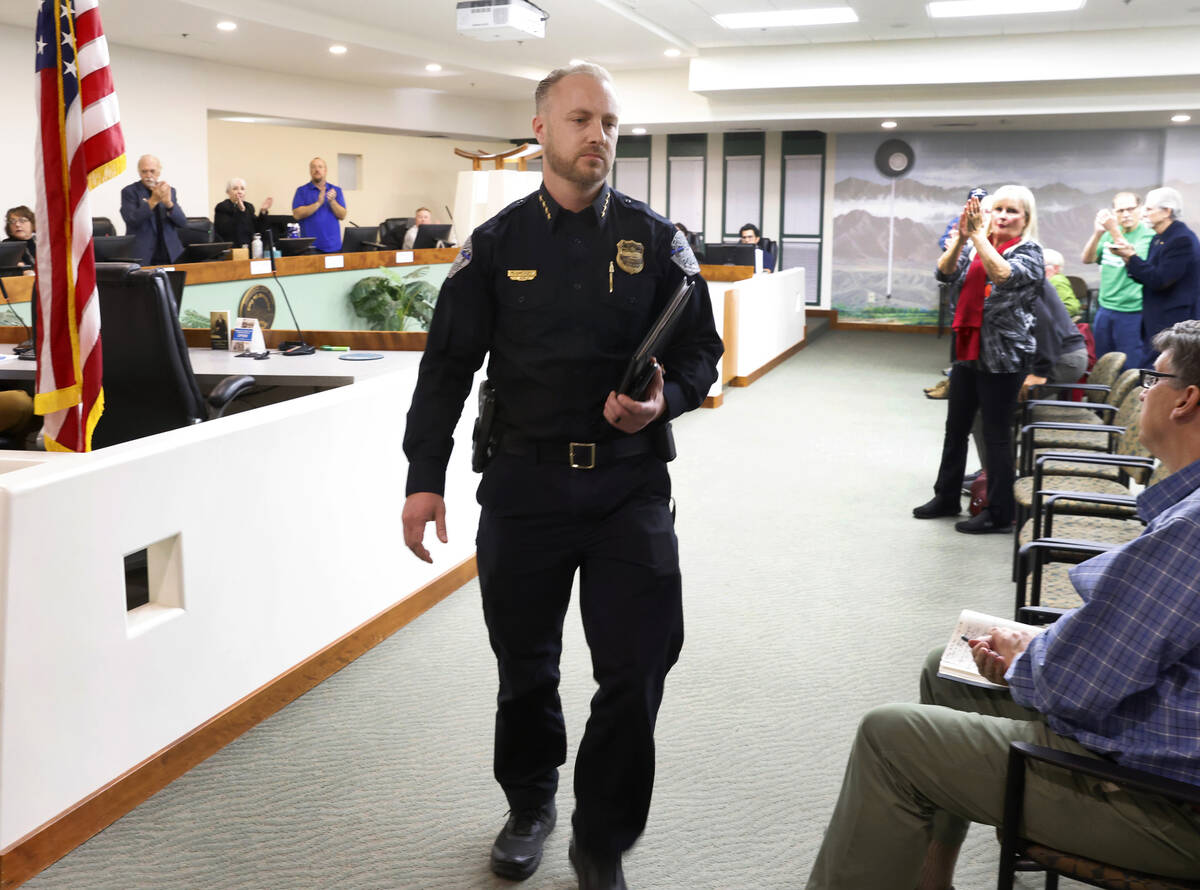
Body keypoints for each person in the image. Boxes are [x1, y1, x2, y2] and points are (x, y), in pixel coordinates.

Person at [400, 62, 722, 890]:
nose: (599, 137)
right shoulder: (499, 245)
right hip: (525, 486)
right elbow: (446, 369)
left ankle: (602, 834)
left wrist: (665, 405)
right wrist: (423, 477)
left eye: (610, 122)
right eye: (581, 119)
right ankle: (531, 802)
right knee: (526, 663)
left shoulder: (658, 242)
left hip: (628, 488)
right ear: (540, 130)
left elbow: (701, 357)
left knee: (638, 665)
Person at [806, 319, 1200, 890]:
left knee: (889, 737)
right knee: (947, 666)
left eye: (1152, 379)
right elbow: (1121, 648)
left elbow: (1078, 686)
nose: (1143, 390)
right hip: (1156, 740)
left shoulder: (1188, 530)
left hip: (1164, 802)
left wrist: (1026, 658)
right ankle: (927, 878)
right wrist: (1034, 651)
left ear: (1187, 399)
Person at [913, 185, 1041, 534]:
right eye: (996, 209)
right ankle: (946, 496)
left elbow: (1003, 275)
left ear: (1025, 218)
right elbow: (944, 274)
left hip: (1004, 356)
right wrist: (960, 241)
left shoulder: (1029, 251)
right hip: (968, 349)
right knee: (955, 427)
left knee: (994, 433)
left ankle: (1001, 512)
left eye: (1011, 211)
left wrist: (978, 238)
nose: (1002, 216)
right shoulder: (975, 245)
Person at [1110, 186, 1200, 367]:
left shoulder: (1181, 239)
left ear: (1167, 211)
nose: (1143, 213)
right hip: (1156, 318)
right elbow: (1148, 275)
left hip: (1174, 322)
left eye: (1149, 209)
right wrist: (1129, 257)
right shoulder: (1159, 238)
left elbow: (1160, 280)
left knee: (1163, 370)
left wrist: (1131, 257)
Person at [1080, 191, 1152, 370]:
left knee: (1130, 368)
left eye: (1130, 209)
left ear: (1140, 209)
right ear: (1114, 212)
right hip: (1105, 309)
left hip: (1133, 311)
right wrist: (1098, 233)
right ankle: (1103, 398)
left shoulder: (1148, 237)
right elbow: (1087, 259)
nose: (1125, 214)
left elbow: (1133, 260)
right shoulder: (1107, 234)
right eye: (1120, 211)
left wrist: (1113, 229)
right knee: (1103, 365)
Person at [119, 154, 188, 265]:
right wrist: (153, 201)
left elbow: (182, 223)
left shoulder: (169, 190)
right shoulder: (130, 192)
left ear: (159, 172)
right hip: (144, 255)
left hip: (170, 254)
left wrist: (169, 204)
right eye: (144, 171)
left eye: (152, 171)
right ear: (139, 172)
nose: (148, 175)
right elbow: (132, 220)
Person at [291, 157, 346, 252]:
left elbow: (342, 215)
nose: (317, 170)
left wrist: (332, 201)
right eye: (313, 167)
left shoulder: (336, 190)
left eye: (320, 167)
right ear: (310, 171)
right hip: (309, 248)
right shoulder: (301, 191)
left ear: (325, 170)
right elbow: (297, 215)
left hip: (333, 247)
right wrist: (318, 203)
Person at [213, 178, 273, 248]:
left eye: (242, 189)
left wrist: (263, 211)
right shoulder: (222, 207)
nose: (239, 192)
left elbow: (257, 229)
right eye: (235, 189)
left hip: (249, 248)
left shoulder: (249, 206)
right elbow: (225, 230)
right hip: (233, 248)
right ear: (228, 192)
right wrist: (240, 211)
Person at [1041, 247, 1080, 316]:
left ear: (1056, 268)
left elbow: (1072, 307)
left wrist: (1048, 317)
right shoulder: (1049, 281)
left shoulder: (1057, 280)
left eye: (1042, 265)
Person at [3, 205, 36, 270]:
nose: (17, 225)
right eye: (12, 221)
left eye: (22, 220)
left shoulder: (42, 242)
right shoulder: (6, 246)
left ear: (32, 223)